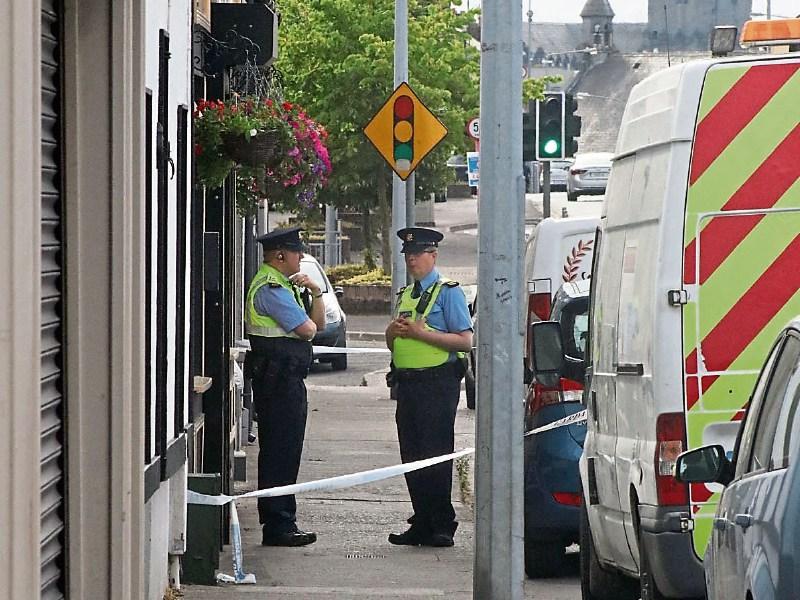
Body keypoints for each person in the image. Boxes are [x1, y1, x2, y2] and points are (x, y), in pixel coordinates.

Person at [384, 227, 474, 547]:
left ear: (433, 256)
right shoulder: (406, 294)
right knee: (412, 454)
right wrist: (392, 332)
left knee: (435, 454)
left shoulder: (448, 292)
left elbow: (465, 340)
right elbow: (393, 341)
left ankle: (441, 523)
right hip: (408, 386)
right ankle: (421, 519)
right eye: (408, 255)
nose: (411, 260)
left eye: (417, 254)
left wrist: (423, 335)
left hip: (437, 384)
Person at [244, 226, 325, 547]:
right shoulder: (271, 288)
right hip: (278, 381)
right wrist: (309, 316)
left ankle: (283, 521)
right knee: (280, 453)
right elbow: (307, 330)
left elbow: (318, 326)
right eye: (296, 252)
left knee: (286, 452)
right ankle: (278, 525)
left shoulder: (280, 284)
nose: (301, 257)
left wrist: (316, 293)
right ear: (280, 255)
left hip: (285, 380)